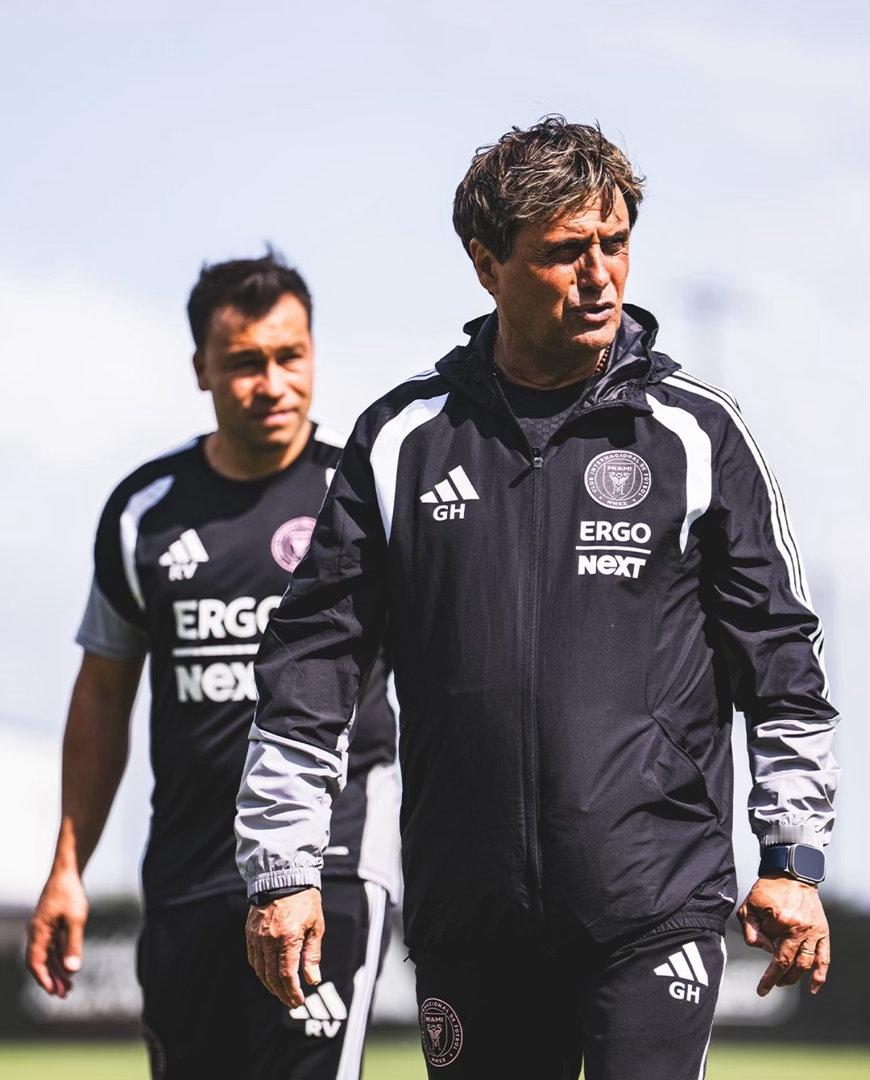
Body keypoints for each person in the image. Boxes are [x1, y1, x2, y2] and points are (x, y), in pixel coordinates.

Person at [236, 120, 839, 1079]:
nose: (599, 276)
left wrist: (791, 858)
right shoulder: (402, 440)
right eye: (565, 252)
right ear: (487, 265)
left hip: (654, 904)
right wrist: (282, 867)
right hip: (470, 916)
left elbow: (782, 663)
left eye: (615, 243)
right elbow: (312, 663)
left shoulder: (695, 434)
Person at [26, 252, 400, 1080]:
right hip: (187, 877)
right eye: (244, 362)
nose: (273, 383)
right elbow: (102, 698)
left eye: (290, 356)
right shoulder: (144, 513)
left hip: (331, 866)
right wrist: (67, 871)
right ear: (201, 368)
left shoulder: (362, 497)